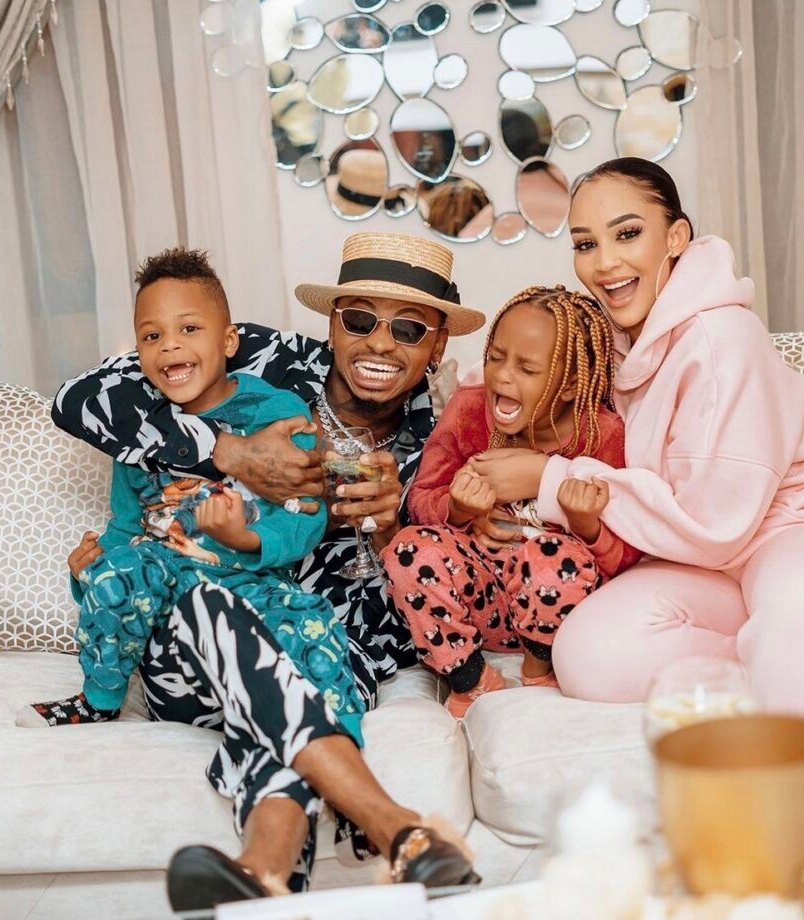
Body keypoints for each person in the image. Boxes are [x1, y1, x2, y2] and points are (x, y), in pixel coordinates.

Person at [49, 232, 486, 909]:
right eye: (359, 319)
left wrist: (390, 530)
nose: (378, 343)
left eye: (407, 328)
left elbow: (447, 594)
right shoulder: (265, 362)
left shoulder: (446, 437)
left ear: (437, 345)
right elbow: (78, 399)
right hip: (191, 646)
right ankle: (395, 827)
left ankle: (261, 872)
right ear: (332, 322)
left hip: (325, 646)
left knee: (291, 687)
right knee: (208, 601)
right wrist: (226, 450)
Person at [466, 158, 804, 796]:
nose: (605, 263)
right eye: (586, 244)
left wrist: (549, 477)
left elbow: (715, 523)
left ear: (675, 237)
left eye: (627, 234)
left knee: (799, 603)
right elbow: (531, 381)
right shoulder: (614, 341)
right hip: (715, 567)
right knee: (588, 651)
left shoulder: (721, 337)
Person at [17, 249, 362, 739]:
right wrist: (90, 572)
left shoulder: (276, 411)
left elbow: (307, 516)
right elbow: (126, 527)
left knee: (311, 624)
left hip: (250, 583)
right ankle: (98, 701)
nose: (170, 345)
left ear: (228, 340)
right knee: (120, 571)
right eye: (152, 336)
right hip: (166, 588)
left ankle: (336, 741)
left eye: (190, 328)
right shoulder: (138, 431)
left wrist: (245, 538)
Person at [383, 286, 641, 717]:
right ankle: (470, 679)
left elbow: (628, 555)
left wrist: (586, 523)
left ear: (569, 384)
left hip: (561, 614)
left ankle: (538, 670)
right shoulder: (468, 409)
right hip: (478, 600)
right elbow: (420, 501)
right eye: (496, 356)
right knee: (407, 549)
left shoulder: (604, 433)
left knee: (553, 554)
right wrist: (460, 510)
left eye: (527, 368)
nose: (502, 376)